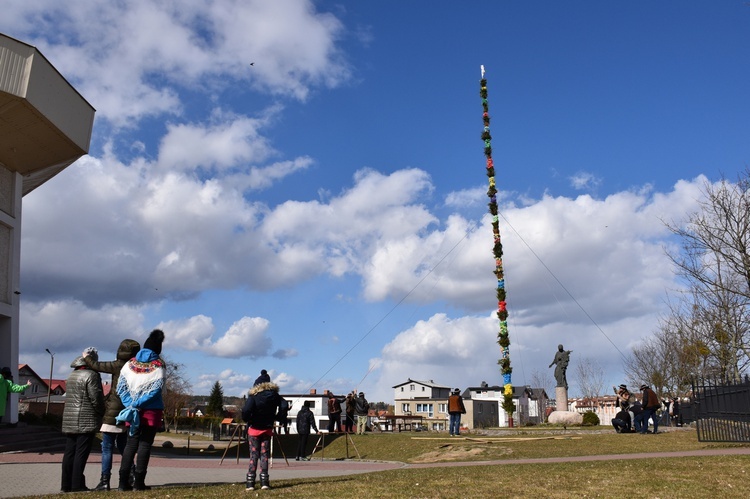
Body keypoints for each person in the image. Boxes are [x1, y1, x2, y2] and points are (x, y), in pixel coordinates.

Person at [83, 338, 141, 491]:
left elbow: (96, 365)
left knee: (107, 447)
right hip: (128, 412)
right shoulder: (136, 368)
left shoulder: (117, 366)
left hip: (113, 412)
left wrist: (86, 356)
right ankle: (132, 475)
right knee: (124, 447)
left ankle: (104, 481)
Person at [116, 329, 166, 491]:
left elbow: (121, 387)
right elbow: (156, 389)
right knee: (145, 445)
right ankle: (139, 483)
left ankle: (123, 483)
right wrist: (140, 403)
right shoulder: (158, 365)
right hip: (151, 411)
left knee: (131, 444)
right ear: (158, 349)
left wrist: (131, 404)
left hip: (132, 411)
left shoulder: (129, 364)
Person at [60, 347, 105, 493]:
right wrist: (102, 412)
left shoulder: (72, 375)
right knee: (81, 453)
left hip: (70, 418)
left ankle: (65, 485)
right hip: (86, 418)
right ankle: (77, 485)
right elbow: (96, 398)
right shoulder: (92, 375)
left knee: (69, 453)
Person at [242, 379, 289, 490]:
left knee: (254, 455)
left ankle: (250, 482)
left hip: (254, 429)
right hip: (267, 429)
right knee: (264, 455)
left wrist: (248, 419)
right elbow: (284, 405)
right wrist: (278, 417)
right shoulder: (275, 396)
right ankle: (264, 482)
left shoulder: (254, 396)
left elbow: (246, 410)